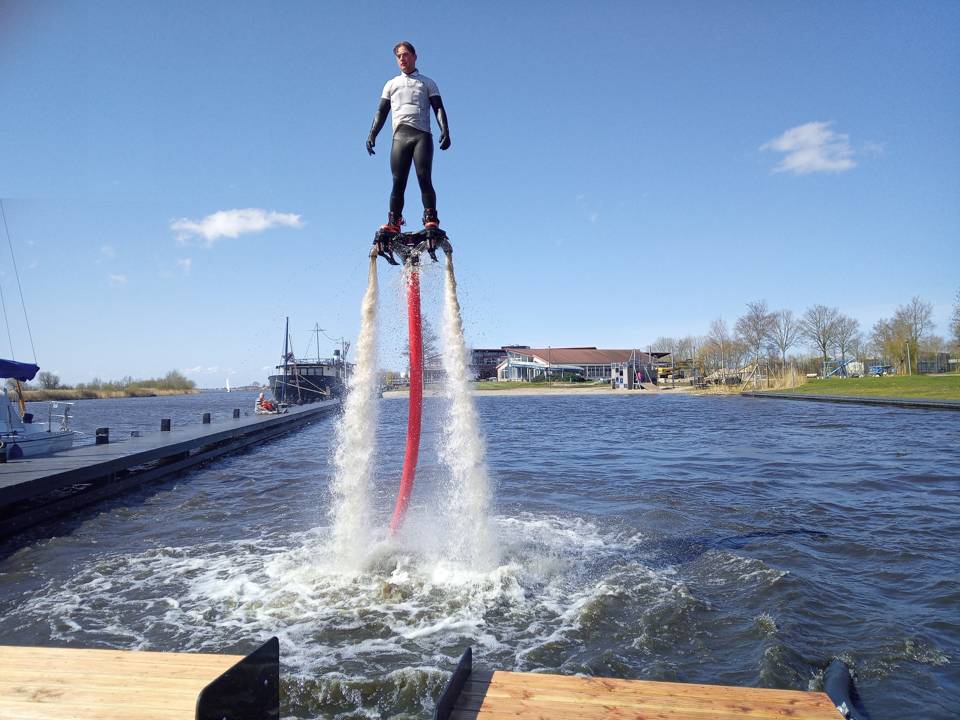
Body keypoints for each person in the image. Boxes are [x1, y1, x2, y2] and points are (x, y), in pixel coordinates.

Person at [367, 41, 450, 244]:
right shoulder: (391, 84)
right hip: (399, 137)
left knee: (424, 177)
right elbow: (381, 112)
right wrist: (372, 133)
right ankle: (394, 220)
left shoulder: (427, 82)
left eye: (405, 55)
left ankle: (431, 218)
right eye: (398, 56)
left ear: (414, 56)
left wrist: (445, 129)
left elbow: (438, 107)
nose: (402, 59)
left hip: (422, 135)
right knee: (398, 181)